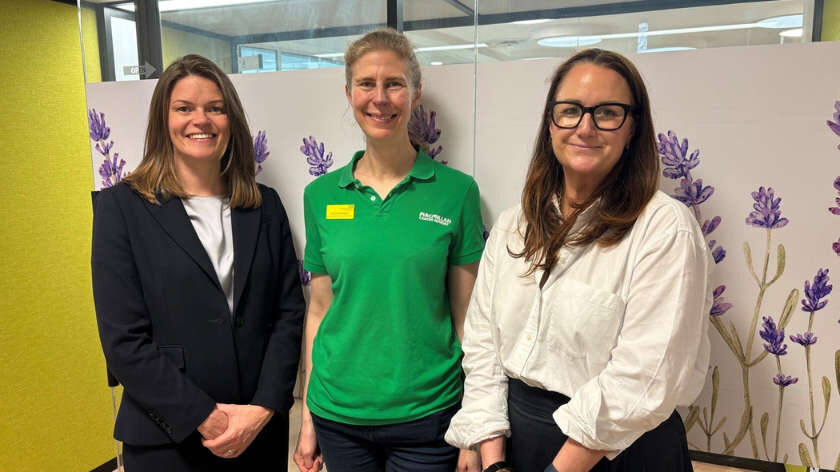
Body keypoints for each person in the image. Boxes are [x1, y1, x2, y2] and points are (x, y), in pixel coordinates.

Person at [445, 48, 712, 472]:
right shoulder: (516, 224)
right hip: (519, 443)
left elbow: (644, 376)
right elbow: (484, 347)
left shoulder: (664, 228)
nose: (585, 127)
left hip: (620, 452)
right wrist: (493, 458)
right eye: (570, 110)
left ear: (632, 128)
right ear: (551, 123)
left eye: (607, 112)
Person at [91, 54, 304, 471]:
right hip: (167, 438)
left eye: (215, 108)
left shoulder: (264, 206)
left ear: (231, 120)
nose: (200, 120)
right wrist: (207, 418)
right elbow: (123, 341)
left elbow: (288, 316)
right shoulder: (122, 208)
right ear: (163, 120)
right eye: (184, 108)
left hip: (257, 434)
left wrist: (262, 409)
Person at [293, 28, 484, 472]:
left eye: (394, 84)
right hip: (337, 414)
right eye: (366, 84)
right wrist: (307, 418)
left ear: (415, 94)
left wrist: (473, 430)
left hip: (428, 414)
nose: (380, 98)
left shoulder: (456, 193)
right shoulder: (320, 195)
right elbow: (319, 311)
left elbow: (468, 320)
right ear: (349, 93)